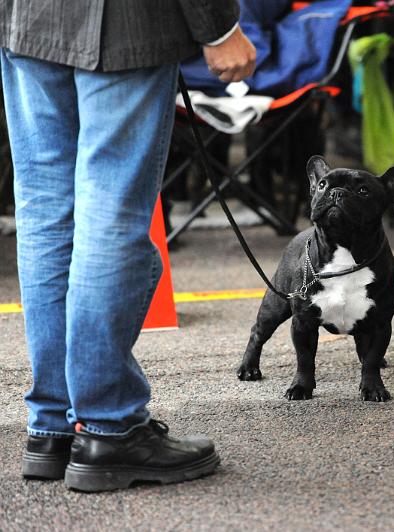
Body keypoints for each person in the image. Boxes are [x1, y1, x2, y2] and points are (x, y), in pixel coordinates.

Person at [3, 1, 256, 491]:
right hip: (123, 22)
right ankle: (106, 427)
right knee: (109, 210)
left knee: (45, 215)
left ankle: (53, 427)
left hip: (26, 17)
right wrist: (218, 25)